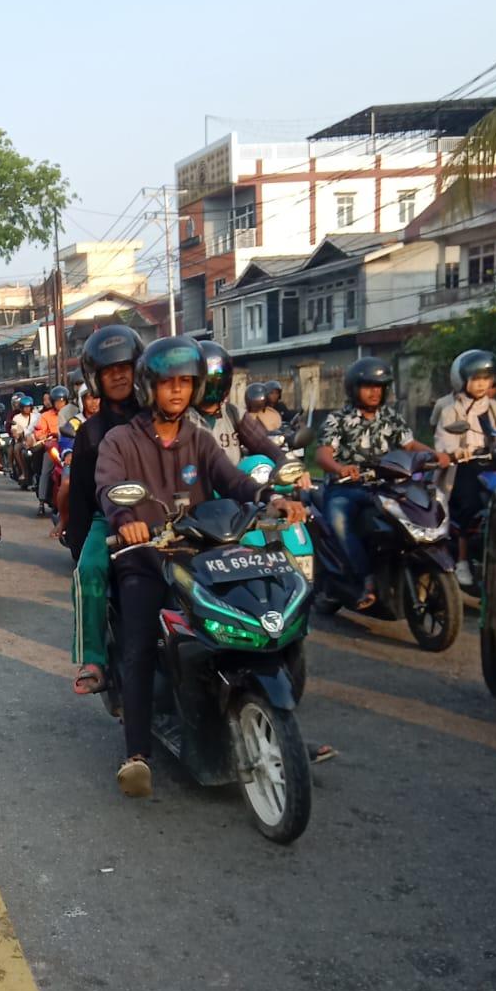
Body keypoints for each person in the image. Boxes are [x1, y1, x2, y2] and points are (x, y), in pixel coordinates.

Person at [96, 336, 305, 798]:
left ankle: (276, 719)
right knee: (138, 647)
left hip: (203, 553)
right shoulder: (120, 440)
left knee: (266, 608)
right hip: (146, 558)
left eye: (186, 382)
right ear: (150, 386)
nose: (178, 391)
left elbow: (233, 480)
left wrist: (272, 498)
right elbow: (109, 487)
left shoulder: (199, 438)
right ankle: (137, 754)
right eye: (168, 382)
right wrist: (127, 521)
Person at [316, 357, 450, 609]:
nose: (375, 392)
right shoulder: (338, 419)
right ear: (354, 388)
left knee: (418, 511)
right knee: (339, 520)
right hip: (347, 487)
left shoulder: (391, 417)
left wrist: (434, 455)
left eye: (379, 387)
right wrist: (340, 468)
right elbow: (322, 453)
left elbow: (409, 445)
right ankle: (365, 577)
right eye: (368, 386)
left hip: (388, 486)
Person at [66, 325, 144, 695]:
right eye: (109, 370)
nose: (119, 375)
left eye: (125, 366)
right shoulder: (91, 432)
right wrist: (80, 548)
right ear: (95, 379)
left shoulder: (156, 415)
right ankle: (93, 657)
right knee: (89, 571)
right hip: (107, 518)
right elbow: (81, 498)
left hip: (164, 513)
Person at [431, 349, 496, 586]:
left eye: (486, 379)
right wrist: (457, 451)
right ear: (462, 380)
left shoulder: (494, 407)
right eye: (476, 379)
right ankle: (461, 561)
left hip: (493, 464)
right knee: (469, 505)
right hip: (463, 467)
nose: (482, 385)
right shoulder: (451, 409)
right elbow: (444, 439)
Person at [194, 345, 290, 469]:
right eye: (209, 380)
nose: (213, 385)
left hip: (232, 483)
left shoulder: (233, 413)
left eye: (218, 379)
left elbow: (261, 442)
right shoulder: (186, 417)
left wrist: (284, 462)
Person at [33, 385, 70, 515]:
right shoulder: (45, 416)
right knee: (46, 470)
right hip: (53, 447)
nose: (60, 404)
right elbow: (39, 432)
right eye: (57, 401)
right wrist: (47, 436)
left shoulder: (73, 413)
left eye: (62, 401)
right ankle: (41, 502)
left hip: (70, 447)